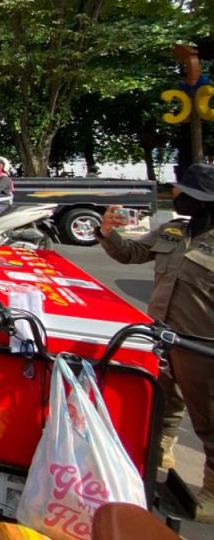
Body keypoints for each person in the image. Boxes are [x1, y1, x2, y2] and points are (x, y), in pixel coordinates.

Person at [98, 162, 214, 522]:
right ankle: (162, 450)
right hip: (163, 336)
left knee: (208, 419)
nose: (178, 197)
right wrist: (108, 233)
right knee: (165, 400)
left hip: (202, 346)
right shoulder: (174, 231)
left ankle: (211, 492)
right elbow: (131, 253)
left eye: (187, 194)